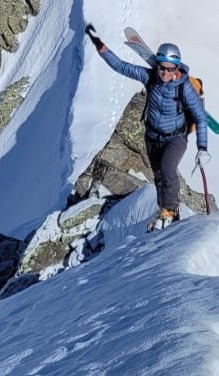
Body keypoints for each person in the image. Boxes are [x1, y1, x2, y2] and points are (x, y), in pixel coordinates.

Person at [86, 25, 209, 230]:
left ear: (177, 68)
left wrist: (202, 148)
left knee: (169, 170)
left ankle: (169, 210)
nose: (165, 72)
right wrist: (101, 47)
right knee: (158, 175)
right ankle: (167, 209)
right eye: (162, 67)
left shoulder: (184, 88)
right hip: (152, 136)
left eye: (171, 68)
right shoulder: (150, 77)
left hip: (175, 138)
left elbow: (200, 117)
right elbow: (121, 67)